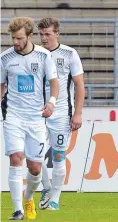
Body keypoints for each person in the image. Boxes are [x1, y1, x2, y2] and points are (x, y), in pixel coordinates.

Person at [1, 17, 59, 220]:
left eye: (19, 38)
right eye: (13, 38)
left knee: (35, 168)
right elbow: (1, 86)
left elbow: (54, 82)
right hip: (13, 116)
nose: (15, 42)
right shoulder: (5, 58)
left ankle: (29, 198)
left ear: (29, 36)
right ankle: (17, 210)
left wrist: (51, 102)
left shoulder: (43, 56)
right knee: (16, 158)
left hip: (36, 118)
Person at [37, 18, 85, 210]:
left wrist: (78, 113)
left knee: (57, 155)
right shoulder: (35, 54)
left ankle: (55, 199)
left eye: (47, 34)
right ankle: (47, 187)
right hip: (37, 113)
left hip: (62, 112)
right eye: (41, 34)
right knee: (34, 154)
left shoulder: (69, 54)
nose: (44, 38)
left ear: (57, 33)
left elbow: (80, 85)